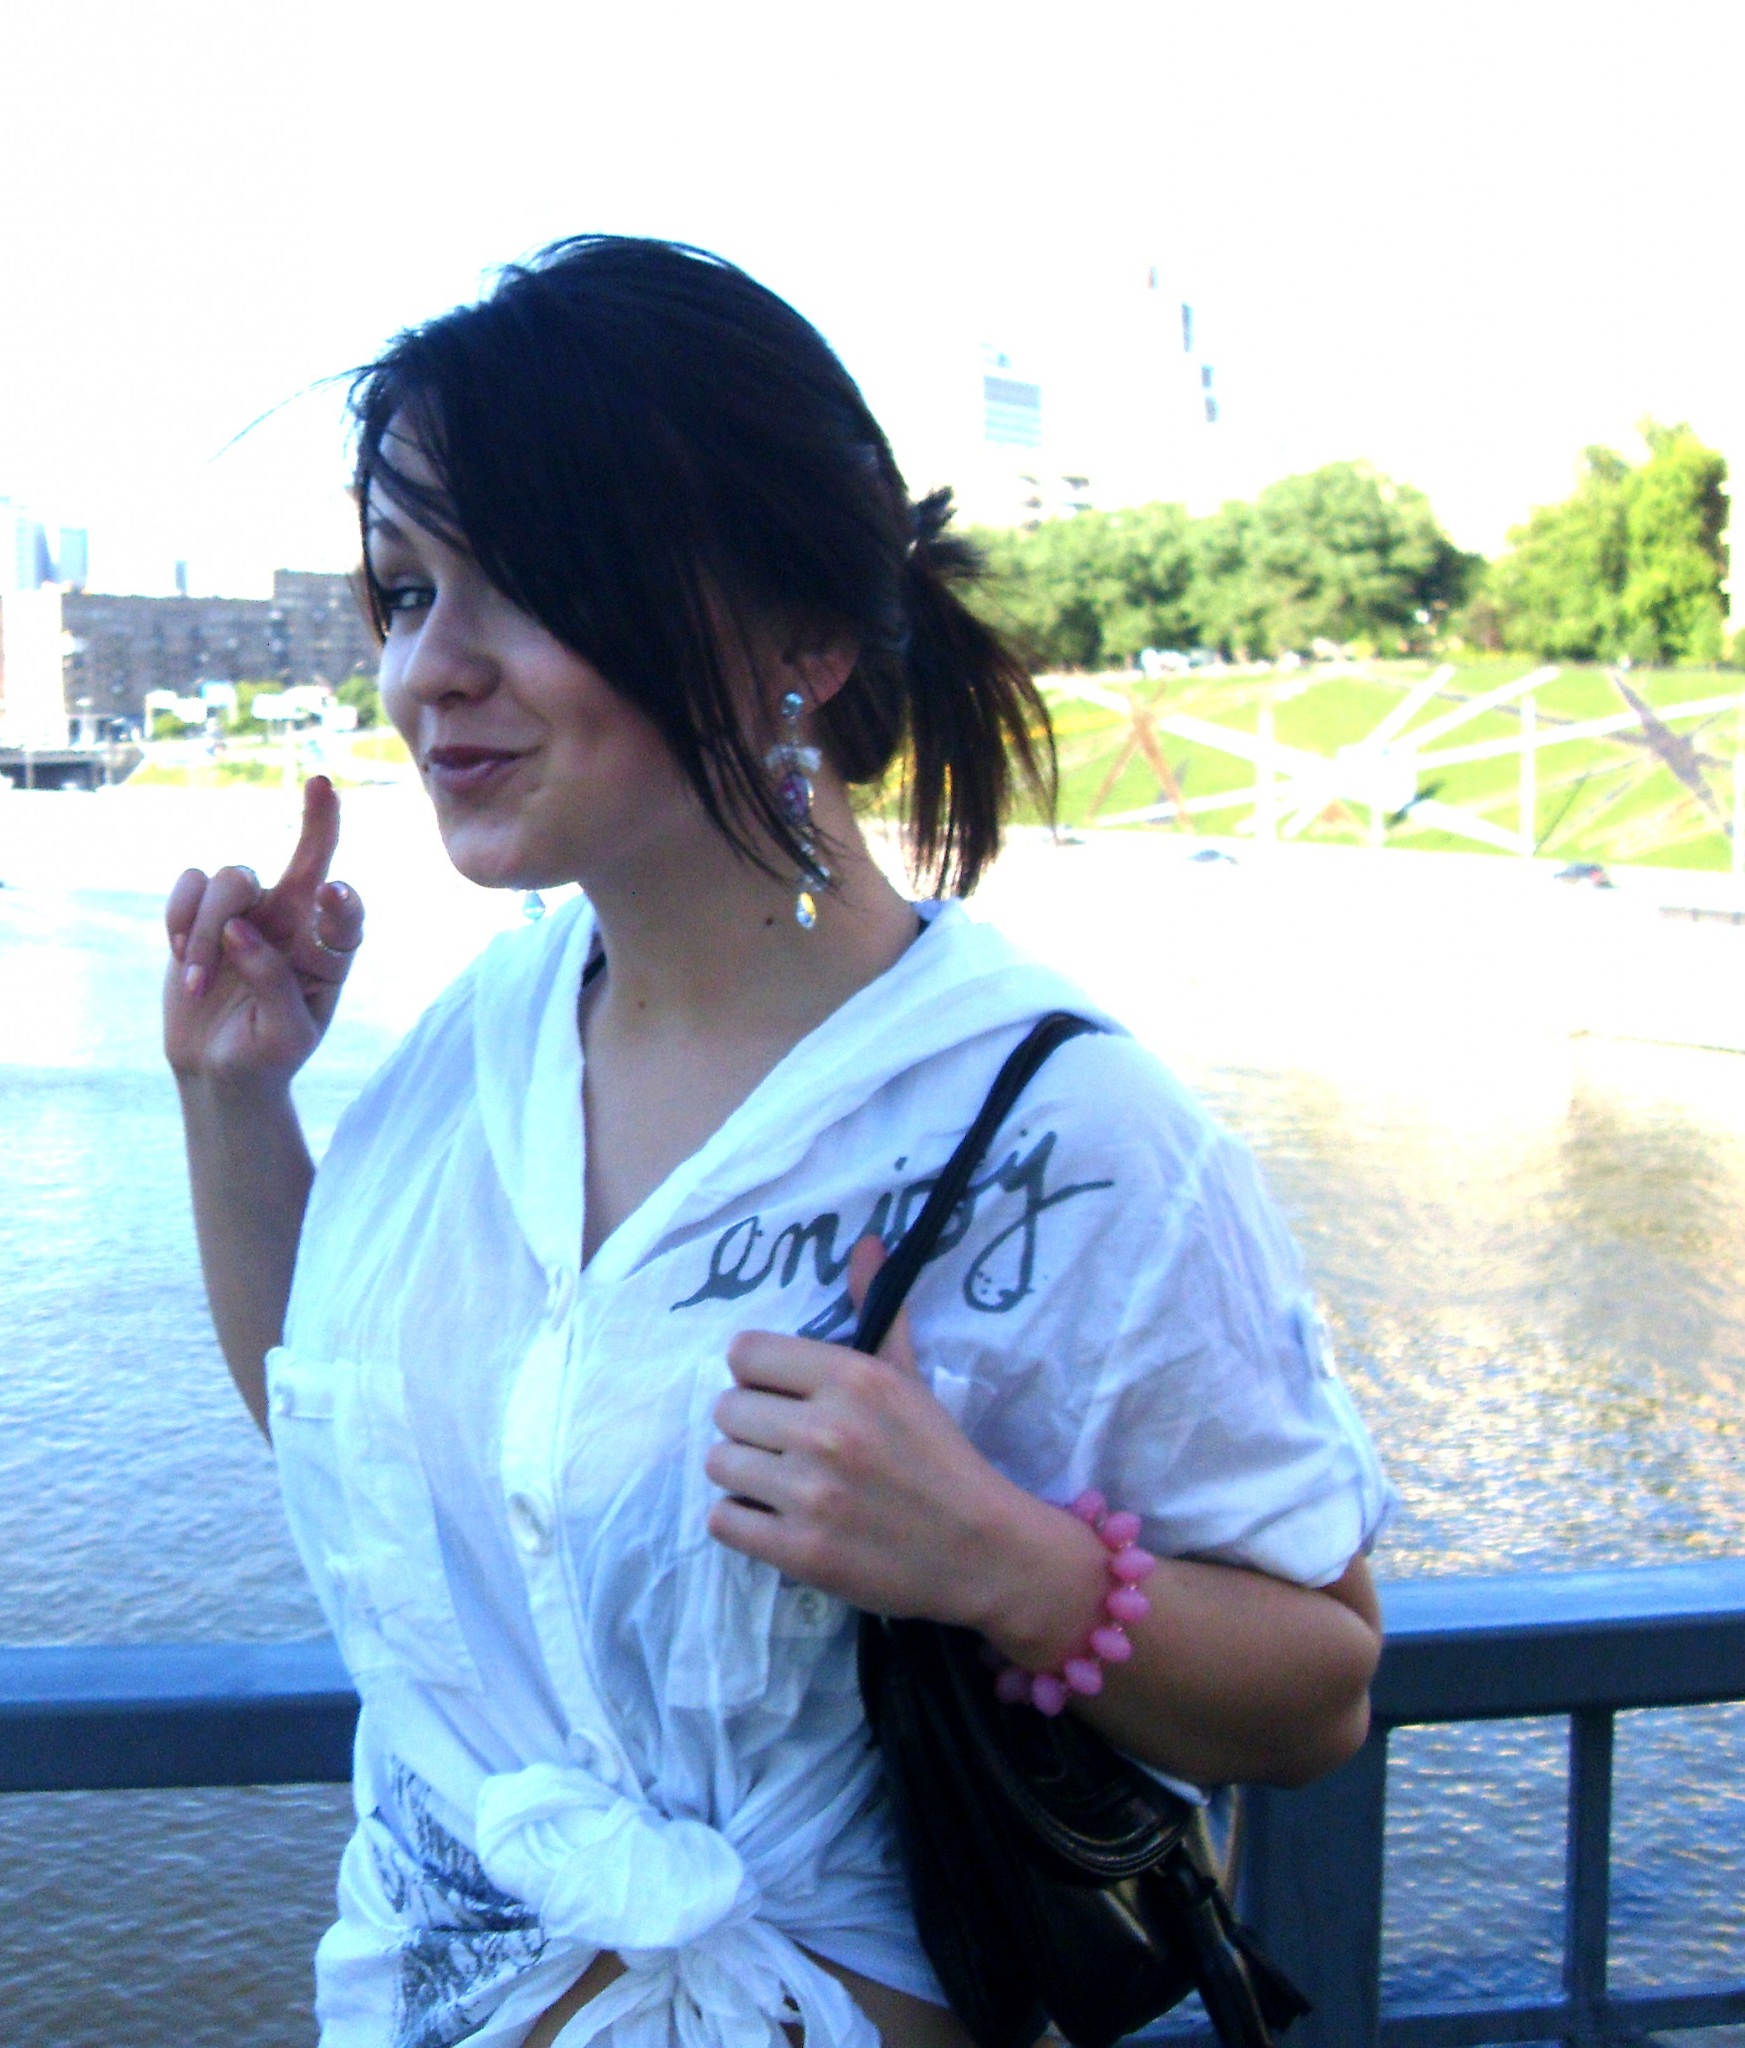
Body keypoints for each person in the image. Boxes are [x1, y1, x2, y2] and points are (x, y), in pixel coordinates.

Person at [162, 237, 1390, 2048]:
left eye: (532, 583)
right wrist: (234, 1098)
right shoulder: (481, 1046)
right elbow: (352, 1446)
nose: (434, 670)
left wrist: (1011, 1566)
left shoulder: (1062, 1132)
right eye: (409, 591)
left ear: (805, 638)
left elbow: (1319, 1690)